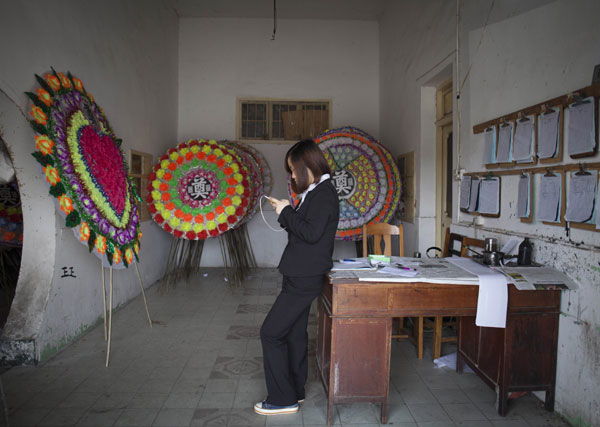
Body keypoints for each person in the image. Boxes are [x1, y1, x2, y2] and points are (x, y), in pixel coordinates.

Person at [254, 139, 339, 416]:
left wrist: (287, 212)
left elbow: (312, 234)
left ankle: (281, 398)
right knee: (293, 334)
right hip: (298, 272)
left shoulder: (324, 193)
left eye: (292, 170)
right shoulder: (315, 192)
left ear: (306, 166)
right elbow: (304, 229)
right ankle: (295, 390)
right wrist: (287, 211)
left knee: (270, 332)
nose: (291, 176)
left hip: (304, 277)